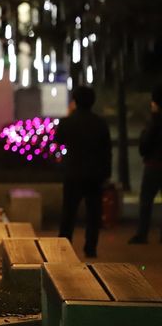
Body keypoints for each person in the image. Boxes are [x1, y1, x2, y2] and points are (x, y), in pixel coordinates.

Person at [54, 86, 112, 258]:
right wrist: (106, 173)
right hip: (95, 174)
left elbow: (58, 139)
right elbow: (107, 150)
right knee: (93, 213)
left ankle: (64, 246)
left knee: (68, 212)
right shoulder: (100, 123)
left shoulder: (68, 122)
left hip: (73, 173)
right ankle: (90, 247)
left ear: (75, 101)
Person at [128, 85, 162, 244]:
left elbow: (146, 143)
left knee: (146, 200)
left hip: (154, 165)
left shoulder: (155, 121)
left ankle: (142, 234)